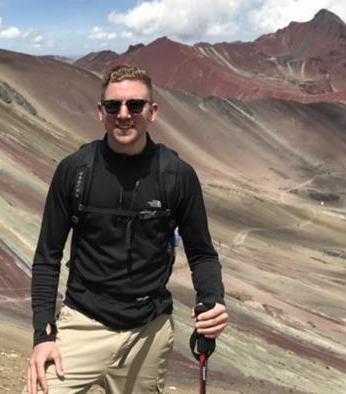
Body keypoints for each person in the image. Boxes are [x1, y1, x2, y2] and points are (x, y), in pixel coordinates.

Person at [28, 64, 228, 394]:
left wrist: (213, 299)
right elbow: (47, 258)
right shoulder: (74, 172)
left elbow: (202, 253)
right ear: (100, 112)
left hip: (148, 333)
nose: (124, 114)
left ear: (153, 112)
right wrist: (43, 336)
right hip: (82, 324)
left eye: (135, 105)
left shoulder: (177, 176)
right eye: (113, 106)